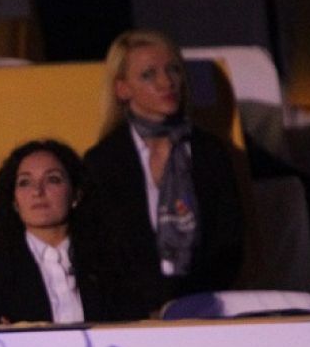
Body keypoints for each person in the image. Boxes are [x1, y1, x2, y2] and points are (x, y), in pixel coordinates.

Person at [82, 29, 244, 316]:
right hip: (130, 318)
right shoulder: (102, 163)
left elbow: (229, 244)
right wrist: (149, 309)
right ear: (122, 89)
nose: (166, 82)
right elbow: (99, 255)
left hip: (206, 309)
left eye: (173, 70)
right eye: (148, 75)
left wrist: (186, 305)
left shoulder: (210, 153)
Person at [0, 139, 136, 326]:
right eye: (25, 182)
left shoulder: (110, 258)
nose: (37, 191)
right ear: (14, 201)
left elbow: (132, 329)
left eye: (52, 179)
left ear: (76, 195)